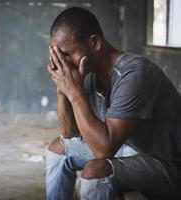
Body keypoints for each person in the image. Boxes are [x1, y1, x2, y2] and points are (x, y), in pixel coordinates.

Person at [46, 7, 181, 200]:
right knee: (58, 150)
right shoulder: (89, 73)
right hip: (132, 148)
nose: (64, 64)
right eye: (59, 56)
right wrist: (62, 90)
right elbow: (70, 133)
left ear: (95, 43)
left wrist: (75, 94)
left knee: (96, 173)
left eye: (68, 54)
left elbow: (104, 149)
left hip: (169, 163)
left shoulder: (134, 73)